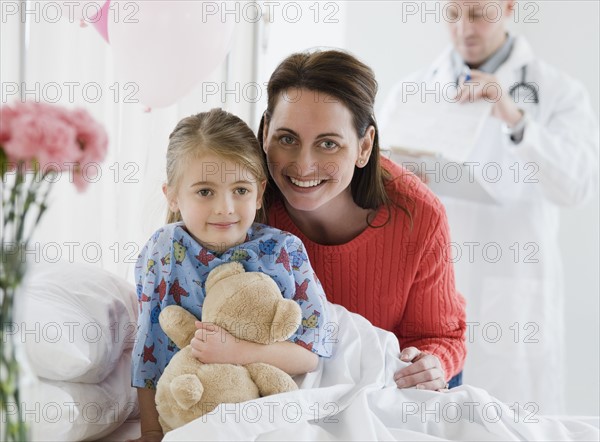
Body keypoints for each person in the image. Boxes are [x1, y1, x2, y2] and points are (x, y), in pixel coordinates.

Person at [378, 0, 599, 414]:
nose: (464, 28)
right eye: (453, 14)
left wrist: (516, 120)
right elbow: (377, 180)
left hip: (511, 289)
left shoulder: (556, 92)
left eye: (478, 13)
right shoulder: (415, 89)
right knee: (428, 421)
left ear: (509, 7)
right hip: (434, 292)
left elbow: (578, 186)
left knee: (510, 422)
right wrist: (404, 183)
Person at [258, 50, 467, 392]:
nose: (302, 165)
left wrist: (431, 362)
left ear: (364, 146)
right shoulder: (242, 201)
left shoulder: (419, 215)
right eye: (287, 138)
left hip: (386, 387)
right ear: (266, 131)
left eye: (328, 143)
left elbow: (440, 335)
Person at [130, 108, 332, 441]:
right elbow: (149, 343)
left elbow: (309, 355)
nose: (225, 207)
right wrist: (152, 431)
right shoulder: (164, 250)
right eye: (205, 192)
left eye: (240, 190)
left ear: (260, 191)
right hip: (186, 403)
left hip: (261, 406)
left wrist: (239, 351)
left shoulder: (285, 251)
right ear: (173, 195)